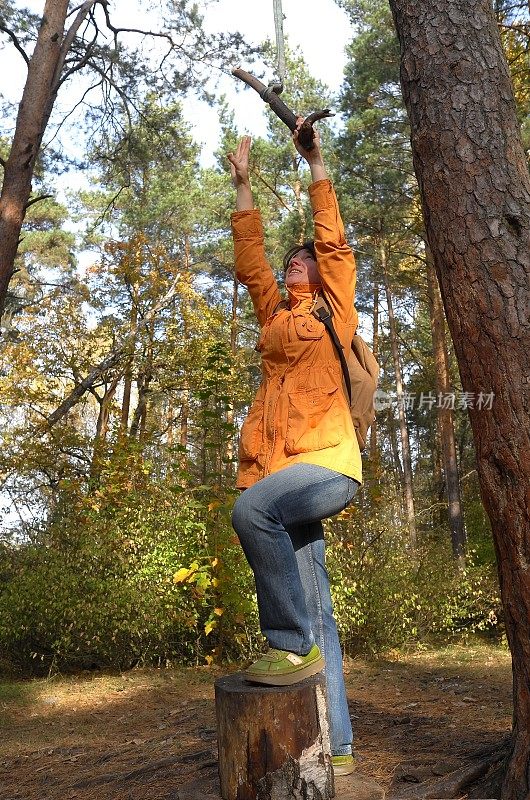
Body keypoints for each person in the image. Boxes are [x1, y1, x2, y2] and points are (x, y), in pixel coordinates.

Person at [227, 121, 361, 776]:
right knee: (321, 616)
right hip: (283, 477)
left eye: (302, 258)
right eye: (292, 260)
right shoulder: (276, 320)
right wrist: (243, 184)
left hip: (328, 461)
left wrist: (315, 162)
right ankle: (337, 746)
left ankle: (283, 643)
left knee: (249, 513)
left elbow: (333, 240)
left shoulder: (333, 311)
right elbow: (251, 263)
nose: (294, 261)